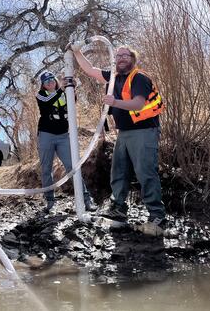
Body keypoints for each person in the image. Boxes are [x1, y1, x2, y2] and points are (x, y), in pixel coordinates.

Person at [71, 44, 166, 230]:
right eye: (118, 55)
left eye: (125, 55)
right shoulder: (114, 77)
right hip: (124, 133)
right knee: (119, 171)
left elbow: (138, 104)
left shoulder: (139, 78)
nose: (121, 58)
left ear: (132, 59)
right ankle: (118, 209)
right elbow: (90, 70)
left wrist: (114, 102)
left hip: (144, 132)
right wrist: (76, 51)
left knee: (145, 172)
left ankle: (157, 216)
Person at [36, 71, 97, 213]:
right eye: (46, 81)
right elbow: (48, 102)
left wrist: (72, 87)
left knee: (73, 167)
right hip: (46, 135)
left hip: (63, 136)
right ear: (43, 85)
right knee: (46, 169)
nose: (50, 82)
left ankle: (86, 200)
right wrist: (61, 89)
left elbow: (72, 100)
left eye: (52, 79)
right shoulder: (41, 95)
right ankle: (50, 202)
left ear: (56, 80)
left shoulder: (64, 92)